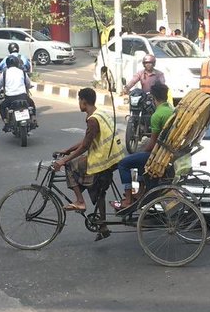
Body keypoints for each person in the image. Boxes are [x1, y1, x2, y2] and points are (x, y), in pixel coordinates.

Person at [54, 88, 124, 239]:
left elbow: (85, 145)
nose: (79, 103)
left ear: (84, 101)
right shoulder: (100, 113)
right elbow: (87, 140)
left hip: (103, 160)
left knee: (70, 165)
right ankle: (103, 226)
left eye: (79, 100)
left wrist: (64, 160)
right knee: (99, 192)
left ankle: (80, 201)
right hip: (113, 158)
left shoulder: (92, 120)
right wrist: (68, 150)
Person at [114, 82, 174, 210]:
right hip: (166, 152)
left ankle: (128, 199)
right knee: (140, 158)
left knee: (123, 164)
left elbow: (152, 143)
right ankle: (141, 191)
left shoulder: (157, 115)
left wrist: (142, 152)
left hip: (158, 155)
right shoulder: (171, 111)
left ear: (153, 97)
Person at [0, 54, 37, 127]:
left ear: (7, 64)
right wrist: (29, 87)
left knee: (2, 107)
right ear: (17, 63)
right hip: (23, 96)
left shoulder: (4, 73)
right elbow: (28, 83)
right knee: (32, 104)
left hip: (10, 98)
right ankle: (34, 118)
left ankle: (6, 122)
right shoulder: (22, 72)